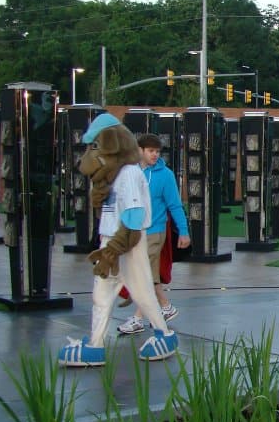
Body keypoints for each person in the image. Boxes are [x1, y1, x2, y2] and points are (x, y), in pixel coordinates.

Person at [58, 114, 177, 367]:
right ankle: (95, 344)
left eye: (96, 146)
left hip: (126, 245)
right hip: (112, 243)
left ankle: (164, 334)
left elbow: (134, 216)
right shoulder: (115, 176)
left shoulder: (129, 174)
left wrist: (114, 248)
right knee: (101, 294)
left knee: (143, 292)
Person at [118, 134, 191, 335]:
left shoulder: (165, 175)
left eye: (157, 151)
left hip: (154, 232)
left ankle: (138, 318)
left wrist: (183, 232)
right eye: (151, 151)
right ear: (139, 150)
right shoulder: (130, 172)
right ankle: (166, 307)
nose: (155, 155)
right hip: (134, 232)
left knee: (143, 276)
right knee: (148, 274)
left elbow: (175, 205)